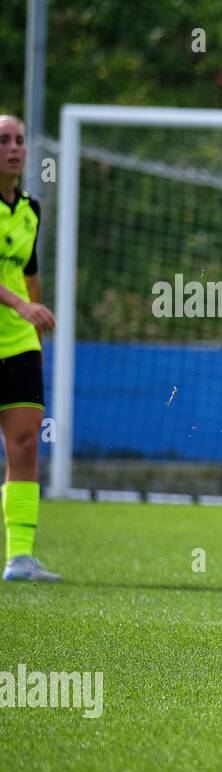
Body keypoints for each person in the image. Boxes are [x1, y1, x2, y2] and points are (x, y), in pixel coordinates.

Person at [0, 114, 60, 582]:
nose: (15, 148)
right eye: (4, 141)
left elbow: (30, 275)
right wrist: (22, 304)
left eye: (20, 140)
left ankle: (20, 558)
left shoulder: (30, 209)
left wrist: (36, 318)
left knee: (23, 447)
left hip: (19, 346)